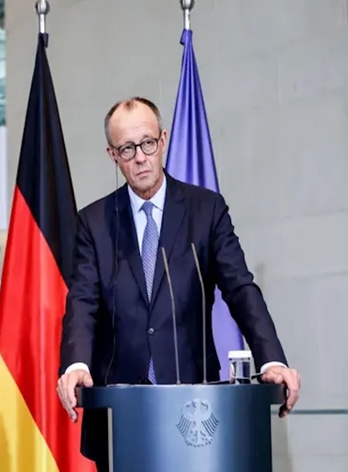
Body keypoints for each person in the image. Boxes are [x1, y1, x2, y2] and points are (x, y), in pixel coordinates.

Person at [56, 97, 301, 469]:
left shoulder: (206, 210)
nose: (140, 158)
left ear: (163, 140)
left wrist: (272, 359)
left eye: (147, 143)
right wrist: (76, 363)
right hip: (122, 417)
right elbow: (82, 302)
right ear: (113, 155)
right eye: (127, 149)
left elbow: (240, 288)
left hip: (197, 413)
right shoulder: (94, 222)